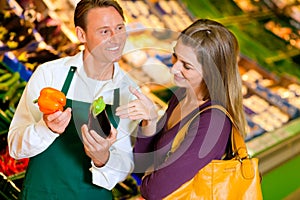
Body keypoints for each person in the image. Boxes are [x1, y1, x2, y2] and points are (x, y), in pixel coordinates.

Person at [7, 0, 138, 199]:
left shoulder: (129, 92)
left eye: (119, 28)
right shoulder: (50, 75)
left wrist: (103, 157)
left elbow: (123, 168)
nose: (116, 39)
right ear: (81, 35)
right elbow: (15, 148)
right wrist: (46, 129)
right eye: (104, 31)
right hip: (43, 194)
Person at [116, 18, 247, 199]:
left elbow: (154, 191)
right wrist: (150, 121)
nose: (174, 69)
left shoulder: (212, 123)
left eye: (186, 66)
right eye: (175, 56)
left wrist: (152, 173)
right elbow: (140, 166)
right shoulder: (182, 95)